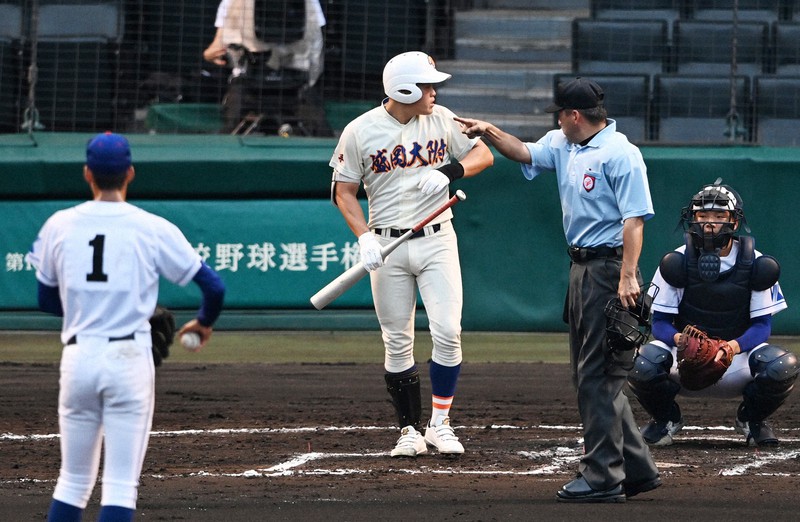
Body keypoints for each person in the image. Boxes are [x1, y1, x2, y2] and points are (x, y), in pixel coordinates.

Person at [455, 77, 660, 502]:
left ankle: (603, 477)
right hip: (581, 268)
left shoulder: (621, 154)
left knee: (598, 376)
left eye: (561, 114)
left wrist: (628, 276)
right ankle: (637, 468)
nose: (558, 121)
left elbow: (634, 220)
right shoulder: (565, 143)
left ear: (574, 115)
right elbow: (525, 152)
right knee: (594, 373)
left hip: (608, 268)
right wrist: (489, 131)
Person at [26, 132, 226, 521]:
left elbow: (45, 300)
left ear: (87, 174)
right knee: (119, 485)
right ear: (130, 173)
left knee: (72, 481)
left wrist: (88, 310)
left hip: (78, 357)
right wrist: (203, 323)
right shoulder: (151, 227)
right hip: (128, 358)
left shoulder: (59, 224)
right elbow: (213, 287)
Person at [329, 51, 494, 458]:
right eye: (426, 85)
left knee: (447, 332)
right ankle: (408, 429)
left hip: (437, 238)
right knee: (397, 341)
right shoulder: (359, 131)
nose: (434, 91)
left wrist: (447, 172)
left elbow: (484, 154)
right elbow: (343, 191)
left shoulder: (442, 119)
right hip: (386, 246)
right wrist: (364, 236)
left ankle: (440, 424)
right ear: (403, 88)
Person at [628, 180, 798, 447]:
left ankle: (753, 419)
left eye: (719, 216)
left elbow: (763, 326)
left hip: (736, 359)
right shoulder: (676, 261)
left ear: (734, 222)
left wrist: (731, 346)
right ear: (692, 219)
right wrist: (680, 341)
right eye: (703, 215)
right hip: (685, 360)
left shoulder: (757, 262)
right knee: (641, 362)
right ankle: (665, 419)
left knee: (782, 366)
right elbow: (659, 322)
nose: (709, 223)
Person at [203, 0, 330, 135]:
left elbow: (218, 46)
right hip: (269, 84)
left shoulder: (231, 2)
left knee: (320, 128)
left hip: (278, 86)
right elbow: (315, 46)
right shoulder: (231, 3)